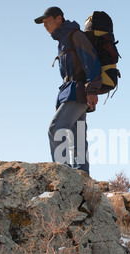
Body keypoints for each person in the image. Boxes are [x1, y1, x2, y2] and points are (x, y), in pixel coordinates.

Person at [35, 7, 102, 175]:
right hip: (71, 91)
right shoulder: (63, 41)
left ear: (59, 18)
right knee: (78, 137)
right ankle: (82, 176)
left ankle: (62, 174)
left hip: (79, 91)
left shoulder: (75, 36)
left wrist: (92, 90)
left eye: (47, 20)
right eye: (42, 23)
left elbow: (91, 62)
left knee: (56, 128)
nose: (45, 25)